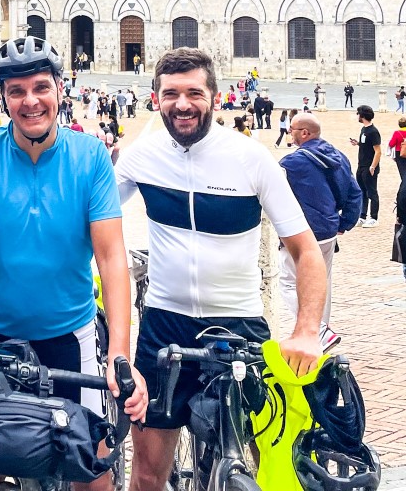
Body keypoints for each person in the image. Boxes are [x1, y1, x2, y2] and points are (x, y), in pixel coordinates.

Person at [0, 36, 147, 491]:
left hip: (70, 335)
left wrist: (120, 351)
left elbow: (110, 256)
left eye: (41, 87)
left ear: (61, 90)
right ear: (2, 97)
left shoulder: (89, 157)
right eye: (16, 91)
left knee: (93, 470)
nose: (30, 101)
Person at [115, 48, 326, 491]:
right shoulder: (142, 155)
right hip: (164, 324)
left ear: (215, 96)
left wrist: (306, 331)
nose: (183, 104)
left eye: (194, 92)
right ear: (156, 98)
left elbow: (306, 251)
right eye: (171, 93)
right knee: (148, 475)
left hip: (239, 325)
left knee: (265, 466)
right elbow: (88, 220)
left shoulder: (251, 158)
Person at [281, 115, 362, 351]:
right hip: (329, 229)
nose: (290, 133)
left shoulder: (292, 163)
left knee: (287, 281)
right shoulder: (338, 155)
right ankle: (320, 330)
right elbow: (355, 193)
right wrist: (344, 222)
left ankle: (318, 329)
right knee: (321, 281)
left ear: (305, 133)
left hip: (303, 232)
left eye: (292, 129)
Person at [350, 105, 381, 227]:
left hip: (369, 166)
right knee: (362, 191)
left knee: (372, 192)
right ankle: (362, 216)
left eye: (358, 114)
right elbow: (366, 146)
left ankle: (374, 217)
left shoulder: (373, 132)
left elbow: (378, 151)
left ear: (362, 116)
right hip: (361, 165)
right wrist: (358, 143)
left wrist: (373, 166)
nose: (357, 116)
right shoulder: (364, 130)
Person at [389, 116, 406, 183]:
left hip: (399, 153)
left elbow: (391, 144)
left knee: (403, 173)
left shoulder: (397, 133)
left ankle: (402, 193)